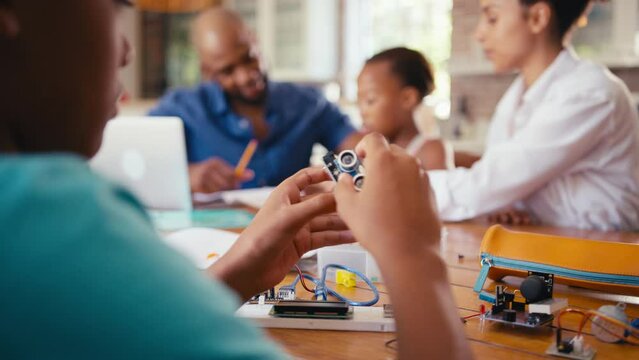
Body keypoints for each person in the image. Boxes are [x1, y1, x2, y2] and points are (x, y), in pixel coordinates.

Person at [0, 1, 471, 359]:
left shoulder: (303, 102)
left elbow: (108, 334)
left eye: (250, 58)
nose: (127, 49)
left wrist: (238, 269)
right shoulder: (51, 220)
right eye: (115, 4)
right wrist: (414, 256)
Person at [428, 0, 639, 231]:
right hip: (551, 242)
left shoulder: (590, 92)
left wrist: (406, 187)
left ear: (538, 18)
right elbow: (502, 182)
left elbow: (488, 185)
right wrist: (505, 200)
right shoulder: (516, 96)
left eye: (492, 18)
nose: (479, 34)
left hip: (604, 252)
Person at [149, 7, 362, 194]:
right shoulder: (181, 108)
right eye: (227, 71)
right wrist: (186, 176)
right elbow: (138, 166)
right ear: (207, 72)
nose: (245, 76)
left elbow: (358, 148)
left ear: (256, 41)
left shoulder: (308, 103)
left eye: (248, 58)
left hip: (298, 231)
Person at [357, 47, 453, 170]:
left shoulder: (431, 151)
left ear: (408, 98)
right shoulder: (370, 153)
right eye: (359, 102)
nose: (362, 111)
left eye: (370, 100)